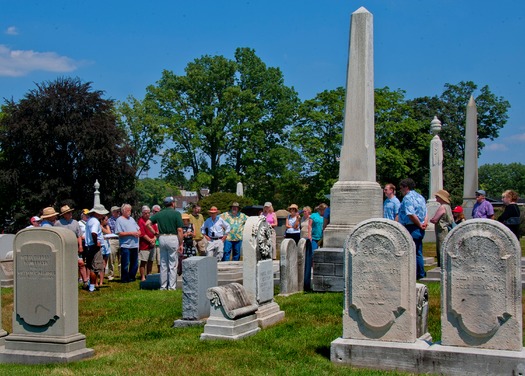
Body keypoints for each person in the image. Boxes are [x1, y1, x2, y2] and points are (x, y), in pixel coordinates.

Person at [147, 196, 183, 290]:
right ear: (172, 203)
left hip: (162, 237)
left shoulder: (159, 214)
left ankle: (163, 286)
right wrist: (181, 243)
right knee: (173, 263)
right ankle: (171, 286)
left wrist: (155, 232)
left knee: (163, 263)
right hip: (172, 237)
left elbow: (147, 223)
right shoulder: (176, 213)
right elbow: (179, 230)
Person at [398, 178, 428, 280]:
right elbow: (425, 212)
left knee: (412, 251)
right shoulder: (420, 197)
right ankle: (420, 272)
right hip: (420, 226)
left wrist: (419, 224)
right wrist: (424, 223)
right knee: (418, 251)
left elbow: (410, 214)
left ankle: (417, 274)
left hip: (411, 226)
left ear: (406, 187)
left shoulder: (407, 198)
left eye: (401, 188)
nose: (400, 190)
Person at [54, 205, 87, 286]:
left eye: (70, 212)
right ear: (64, 214)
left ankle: (85, 281)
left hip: (74, 247)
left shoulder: (75, 222)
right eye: (68, 213)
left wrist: (80, 246)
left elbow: (79, 235)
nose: (70, 214)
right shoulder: (58, 223)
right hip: (63, 247)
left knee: (81, 263)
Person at [85, 204, 109, 292]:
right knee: (95, 268)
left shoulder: (90, 220)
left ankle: (89, 284)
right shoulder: (95, 222)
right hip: (94, 246)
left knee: (91, 266)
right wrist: (96, 243)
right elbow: (94, 233)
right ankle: (92, 286)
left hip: (89, 246)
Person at [116, 203, 140, 283]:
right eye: (128, 210)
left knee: (134, 263)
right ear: (123, 211)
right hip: (125, 245)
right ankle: (125, 278)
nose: (129, 212)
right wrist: (131, 233)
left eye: (130, 210)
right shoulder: (119, 220)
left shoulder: (132, 219)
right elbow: (119, 233)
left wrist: (138, 232)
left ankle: (132, 277)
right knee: (125, 263)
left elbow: (138, 228)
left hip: (134, 245)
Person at [429, 190, 453, 267]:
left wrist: (430, 219)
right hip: (446, 228)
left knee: (441, 247)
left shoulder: (442, 207)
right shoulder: (448, 206)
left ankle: (441, 265)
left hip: (441, 230)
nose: (436, 198)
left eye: (437, 196)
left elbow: (435, 220)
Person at [138, 205, 156, 281]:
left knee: (151, 261)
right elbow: (142, 233)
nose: (147, 214)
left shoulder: (151, 221)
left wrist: (154, 239)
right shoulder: (140, 221)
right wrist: (150, 240)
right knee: (143, 261)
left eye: (148, 213)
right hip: (144, 244)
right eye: (145, 213)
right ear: (142, 213)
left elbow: (156, 231)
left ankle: (149, 274)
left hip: (152, 244)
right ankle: (142, 276)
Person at [106, 206, 121, 281]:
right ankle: (111, 274)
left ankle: (121, 274)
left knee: (121, 258)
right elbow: (109, 231)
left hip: (121, 239)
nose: (118, 212)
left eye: (119, 211)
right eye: (116, 211)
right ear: (112, 212)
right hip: (113, 240)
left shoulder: (122, 219)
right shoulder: (109, 220)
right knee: (111, 258)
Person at [151, 204, 161, 271]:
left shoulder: (161, 219)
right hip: (152, 240)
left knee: (159, 258)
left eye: (157, 211)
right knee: (151, 258)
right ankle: (148, 274)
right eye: (155, 211)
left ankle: (160, 272)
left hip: (159, 240)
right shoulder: (150, 220)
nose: (156, 213)